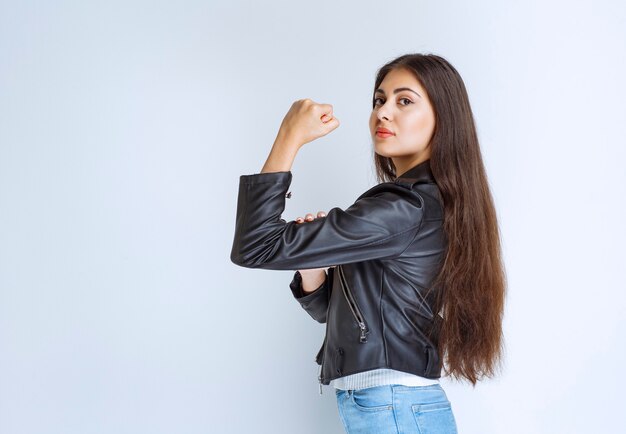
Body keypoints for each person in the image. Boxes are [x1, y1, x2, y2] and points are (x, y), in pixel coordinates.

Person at [230, 53, 506, 434]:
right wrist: (313, 268)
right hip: (391, 405)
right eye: (379, 100)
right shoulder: (414, 202)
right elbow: (346, 316)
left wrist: (288, 136)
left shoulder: (404, 207)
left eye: (404, 101)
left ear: (443, 117)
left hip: (393, 406)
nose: (383, 113)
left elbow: (255, 244)